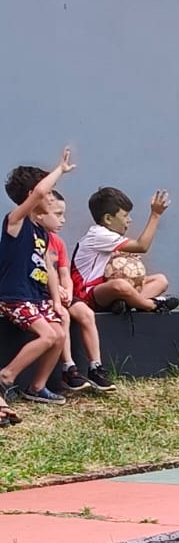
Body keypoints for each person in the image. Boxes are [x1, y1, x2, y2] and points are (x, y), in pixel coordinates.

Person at [0, 152, 75, 406]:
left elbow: (50, 268)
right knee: (48, 336)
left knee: (59, 334)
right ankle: (6, 376)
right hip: (14, 297)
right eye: (49, 194)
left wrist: (55, 300)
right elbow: (40, 192)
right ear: (35, 194)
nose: (51, 198)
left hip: (36, 297)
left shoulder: (41, 231)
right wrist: (60, 170)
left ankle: (37, 387)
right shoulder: (15, 221)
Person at [35, 189, 114, 393]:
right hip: (41, 294)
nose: (63, 220)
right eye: (58, 214)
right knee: (64, 317)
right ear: (40, 213)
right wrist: (57, 292)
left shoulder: (58, 243)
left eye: (64, 214)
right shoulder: (34, 240)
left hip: (61, 293)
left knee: (86, 314)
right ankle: (69, 369)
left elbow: (63, 273)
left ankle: (95, 367)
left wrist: (67, 291)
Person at [72, 187, 177, 314]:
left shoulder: (110, 238)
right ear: (108, 219)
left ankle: (126, 304)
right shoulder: (98, 234)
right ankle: (153, 305)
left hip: (108, 295)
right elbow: (141, 246)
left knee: (160, 280)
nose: (129, 220)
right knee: (120, 285)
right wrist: (155, 215)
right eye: (125, 215)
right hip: (87, 296)